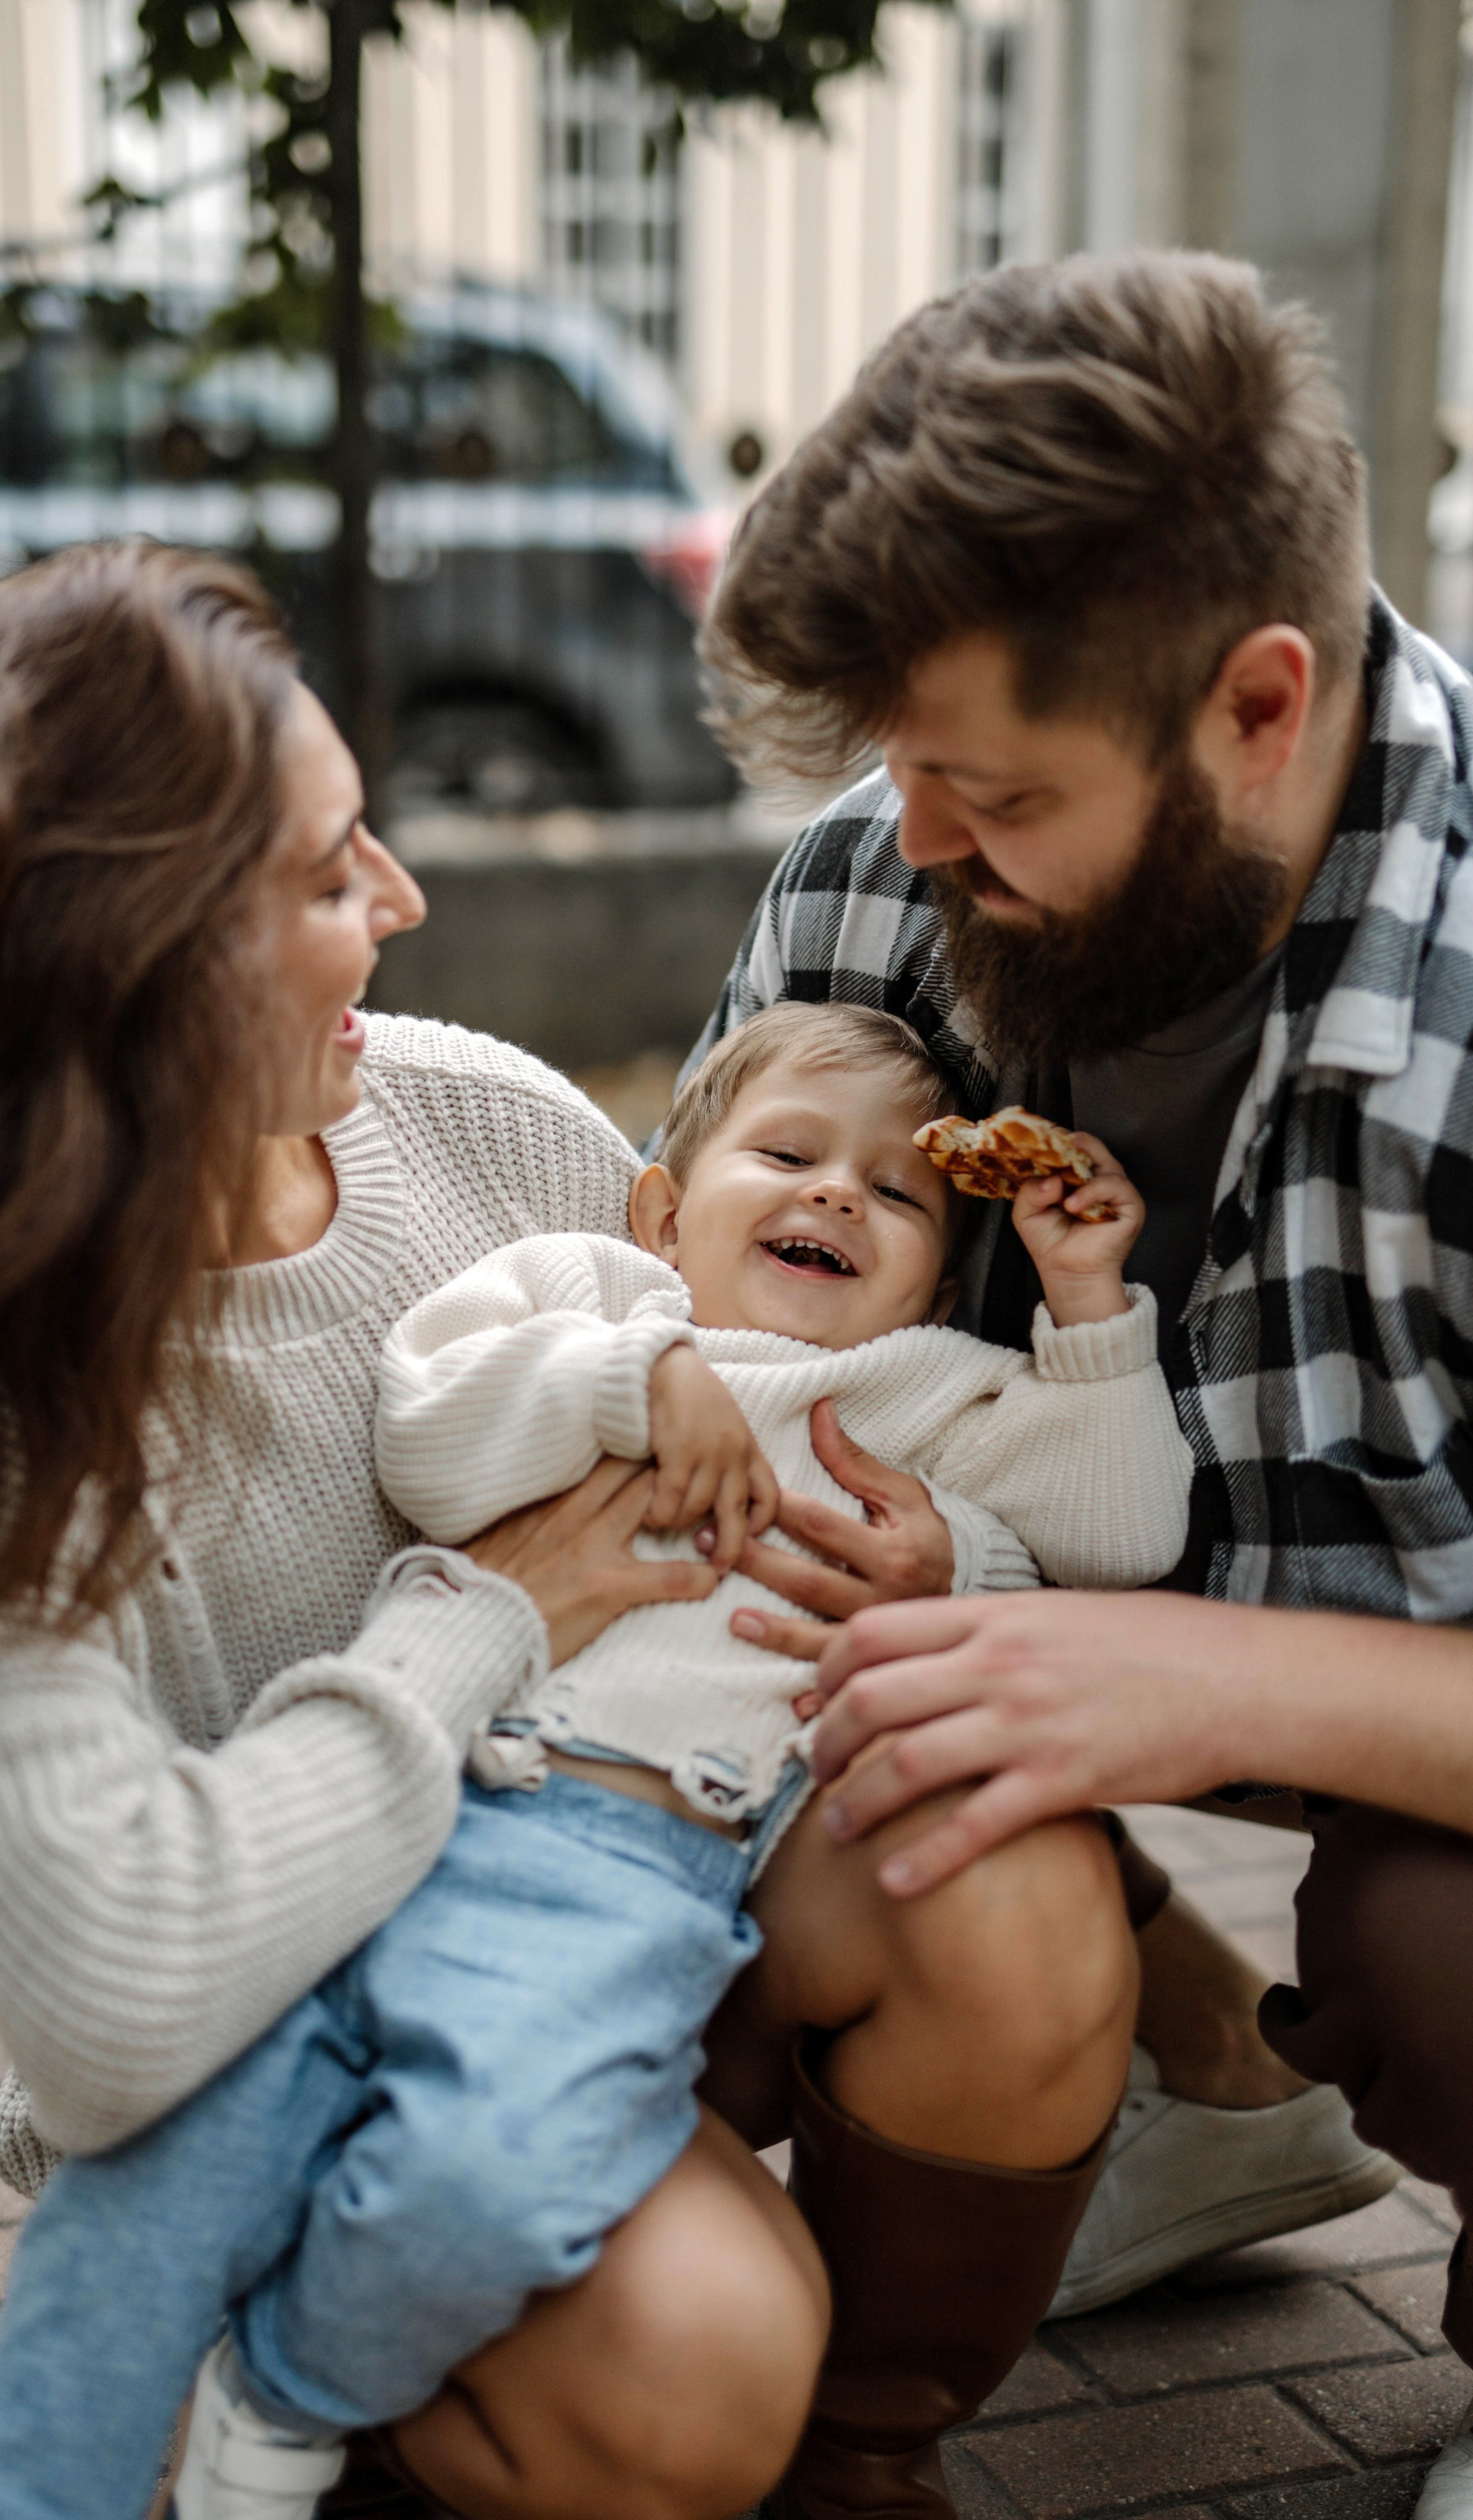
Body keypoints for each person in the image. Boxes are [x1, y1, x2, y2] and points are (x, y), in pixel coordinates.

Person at [0, 542, 830, 2520]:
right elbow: (110, 2004)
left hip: (587, 1913)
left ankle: (853, 2457)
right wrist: (480, 1616)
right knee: (700, 2358)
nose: (406, 902)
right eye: (331, 868)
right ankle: (279, 2373)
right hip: (261, 2048)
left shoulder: (484, 1125)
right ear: (138, 950)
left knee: (994, 1873)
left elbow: (771, 1437)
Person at [0, 997, 1184, 2520]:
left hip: (616, 1883)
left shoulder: (922, 1393)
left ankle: (293, 2392)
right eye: (784, 1152)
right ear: (660, 1204)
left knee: (483, 2166)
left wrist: (1076, 1325)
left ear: (939, 1267)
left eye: (898, 1194)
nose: (835, 1194)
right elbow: (432, 1440)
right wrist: (625, 1380)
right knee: (154, 2191)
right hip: (380, 1813)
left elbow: (1120, 1534)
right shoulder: (586, 1295)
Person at [677, 245, 1473, 2510]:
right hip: (1046, 1609)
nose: (917, 849)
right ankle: (1189, 2081)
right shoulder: (882, 869)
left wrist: (1193, 1680)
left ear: (1254, 706)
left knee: (1440, 1952)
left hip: (1392, 1707)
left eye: (993, 793)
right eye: (901, 773)